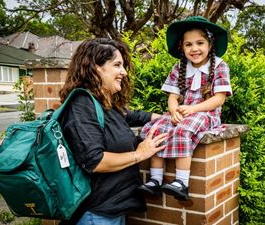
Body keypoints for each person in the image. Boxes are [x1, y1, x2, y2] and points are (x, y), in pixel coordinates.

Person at [58, 38, 167, 225]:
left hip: (112, 211)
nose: (123, 73)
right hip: (94, 214)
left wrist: (167, 117)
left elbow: (133, 116)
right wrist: (139, 154)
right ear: (95, 67)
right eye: (117, 65)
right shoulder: (81, 106)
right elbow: (95, 161)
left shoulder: (105, 106)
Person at [138, 16, 232, 201]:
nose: (194, 49)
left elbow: (219, 99)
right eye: (188, 44)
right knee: (158, 129)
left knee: (183, 130)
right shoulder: (179, 67)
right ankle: (155, 180)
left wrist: (193, 109)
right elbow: (173, 97)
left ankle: (182, 183)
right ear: (182, 47)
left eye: (200, 43)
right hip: (183, 112)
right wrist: (174, 111)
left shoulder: (220, 66)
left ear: (210, 44)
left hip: (207, 114)